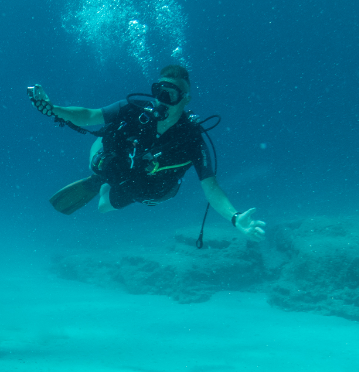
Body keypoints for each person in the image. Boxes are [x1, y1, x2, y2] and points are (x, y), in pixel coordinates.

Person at [28, 65, 265, 240]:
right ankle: (101, 175)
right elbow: (89, 115)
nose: (161, 101)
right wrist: (54, 110)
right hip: (124, 167)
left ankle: (104, 186)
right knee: (105, 143)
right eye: (158, 92)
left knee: (103, 207)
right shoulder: (131, 110)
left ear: (185, 99)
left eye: (170, 95)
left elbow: (211, 187)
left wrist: (235, 217)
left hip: (152, 189)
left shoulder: (192, 138)